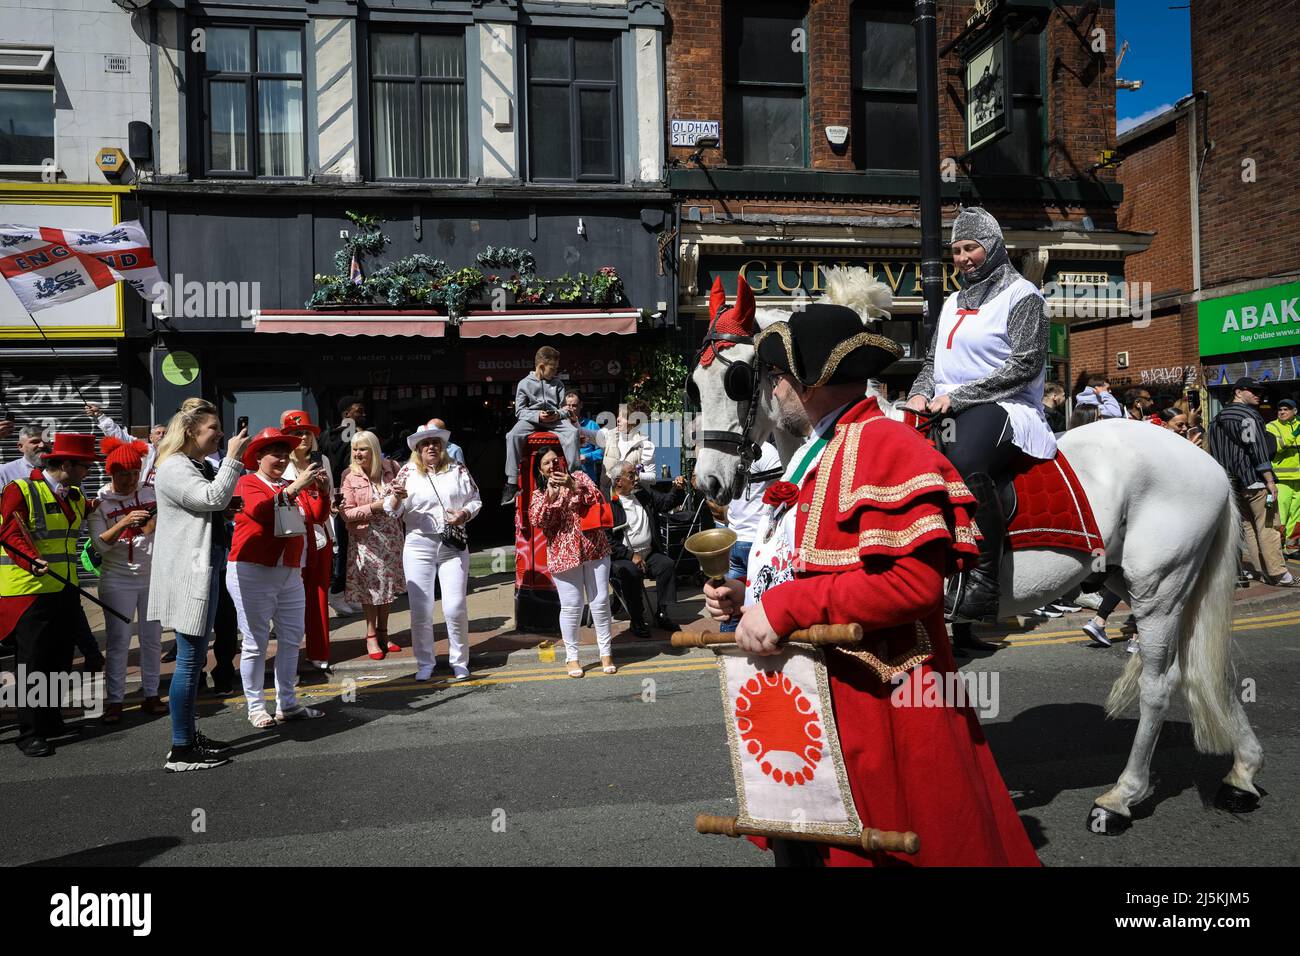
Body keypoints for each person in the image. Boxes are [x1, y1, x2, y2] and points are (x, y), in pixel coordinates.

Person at [704, 298, 1038, 866]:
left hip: (876, 705)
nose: (770, 393)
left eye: (774, 378)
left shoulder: (886, 444)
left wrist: (786, 605)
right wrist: (753, 595)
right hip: (807, 709)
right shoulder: (818, 450)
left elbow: (912, 585)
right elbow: (820, 563)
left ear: (803, 381)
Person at [905, 206, 1057, 623]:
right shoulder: (953, 301)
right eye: (955, 251)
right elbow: (932, 363)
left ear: (991, 248)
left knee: (965, 457)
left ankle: (984, 582)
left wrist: (961, 397)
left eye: (970, 248)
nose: (962, 257)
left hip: (1009, 406)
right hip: (947, 406)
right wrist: (918, 394)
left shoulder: (1024, 295)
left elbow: (1025, 365)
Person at [148, 398, 248, 770]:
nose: (221, 435)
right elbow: (210, 497)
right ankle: (181, 749)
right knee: (190, 661)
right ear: (191, 432)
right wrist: (235, 458)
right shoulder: (173, 466)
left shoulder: (197, 464)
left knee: (194, 657)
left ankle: (188, 736)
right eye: (213, 429)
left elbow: (209, 505)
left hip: (206, 567)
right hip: (190, 572)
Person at [0, 433, 100, 757]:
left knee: (59, 659)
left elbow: (91, 508)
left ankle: (52, 720)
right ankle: (29, 732)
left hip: (64, 589)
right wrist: (31, 559)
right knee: (32, 663)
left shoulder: (72, 495)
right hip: (29, 591)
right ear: (66, 464)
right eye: (85, 467)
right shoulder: (21, 489)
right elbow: (8, 531)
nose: (88, 472)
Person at [228, 428, 330, 728]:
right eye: (275, 452)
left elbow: (317, 516)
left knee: (291, 638)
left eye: (285, 452)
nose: (283, 457)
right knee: (256, 643)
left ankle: (287, 702)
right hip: (253, 570)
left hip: (290, 571)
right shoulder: (247, 482)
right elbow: (261, 513)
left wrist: (322, 491)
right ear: (258, 456)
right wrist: (295, 487)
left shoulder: (288, 484)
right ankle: (256, 706)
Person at [388, 420, 481, 681]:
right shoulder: (406, 472)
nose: (431, 447)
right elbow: (391, 509)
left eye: (436, 443)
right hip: (418, 544)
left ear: (443, 447)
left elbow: (476, 499)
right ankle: (425, 662)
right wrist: (396, 497)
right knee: (421, 609)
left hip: (452, 544)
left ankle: (459, 661)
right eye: (425, 443)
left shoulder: (458, 470)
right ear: (417, 449)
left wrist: (464, 513)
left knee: (454, 607)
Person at [88, 436, 167, 724]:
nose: (130, 479)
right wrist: (122, 522)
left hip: (152, 576)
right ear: (112, 473)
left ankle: (150, 693)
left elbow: (161, 526)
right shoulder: (100, 503)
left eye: (135, 473)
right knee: (120, 641)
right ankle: (116, 700)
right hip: (117, 578)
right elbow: (99, 545)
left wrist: (152, 520)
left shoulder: (150, 494)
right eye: (124, 474)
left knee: (152, 640)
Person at [529, 449, 616, 677]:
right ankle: (572, 658)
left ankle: (606, 653)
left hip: (594, 548)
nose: (552, 466)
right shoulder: (539, 494)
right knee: (571, 607)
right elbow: (539, 521)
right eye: (546, 463)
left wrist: (573, 486)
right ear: (540, 469)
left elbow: (597, 498)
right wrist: (551, 497)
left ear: (563, 462)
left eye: (554, 461)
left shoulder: (580, 477)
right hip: (563, 554)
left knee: (600, 602)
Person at [1208, 377, 1295, 587]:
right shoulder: (1249, 415)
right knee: (1268, 527)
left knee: (1247, 529)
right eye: (1253, 391)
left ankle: (1260, 571)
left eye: (1259, 391)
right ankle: (1279, 574)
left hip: (1230, 484)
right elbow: (1257, 450)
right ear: (1238, 392)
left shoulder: (1216, 418)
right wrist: (1269, 480)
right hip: (1254, 481)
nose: (1259, 395)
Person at [340, 429, 406, 660]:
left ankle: (384, 632)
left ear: (374, 450)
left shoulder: (393, 469)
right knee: (371, 591)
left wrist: (401, 496)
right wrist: (375, 507)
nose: (357, 454)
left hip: (391, 538)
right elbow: (346, 513)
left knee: (386, 589)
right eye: (355, 449)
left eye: (362, 449)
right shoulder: (349, 476)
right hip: (365, 539)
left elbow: (400, 505)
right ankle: (370, 636)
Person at [280, 409, 335, 674]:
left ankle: (319, 651)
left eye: (307, 433)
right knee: (288, 599)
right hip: (291, 538)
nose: (303, 437)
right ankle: (289, 655)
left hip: (321, 537)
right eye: (296, 432)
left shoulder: (321, 459)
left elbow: (330, 499)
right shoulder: (280, 462)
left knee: (319, 595)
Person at [607, 461, 687, 639]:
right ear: (619, 481)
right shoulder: (610, 504)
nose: (636, 478)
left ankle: (662, 614)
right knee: (631, 572)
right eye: (631, 475)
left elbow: (666, 503)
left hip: (648, 553)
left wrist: (676, 489)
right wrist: (630, 555)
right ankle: (636, 619)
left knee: (666, 564)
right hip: (623, 558)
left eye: (635, 474)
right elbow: (607, 541)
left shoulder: (643, 493)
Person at [502, 346, 580, 504]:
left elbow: (565, 408)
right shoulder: (524, 384)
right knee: (512, 435)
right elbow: (520, 412)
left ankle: (575, 474)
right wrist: (537, 416)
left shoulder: (558, 384)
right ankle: (511, 483)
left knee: (572, 432)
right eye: (553, 368)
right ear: (542, 367)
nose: (556, 372)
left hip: (554, 419)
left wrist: (558, 414)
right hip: (531, 419)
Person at [719, 441, 782, 635]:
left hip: (735, 538)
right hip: (756, 540)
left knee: (729, 603)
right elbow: (782, 488)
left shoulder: (731, 450)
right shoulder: (768, 451)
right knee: (759, 603)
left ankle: (727, 647)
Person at [320, 396, 366, 616]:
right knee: (343, 546)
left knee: (354, 549)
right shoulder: (332, 437)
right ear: (347, 414)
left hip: (360, 498)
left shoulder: (359, 435)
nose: (362, 414)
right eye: (358, 411)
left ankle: (349, 592)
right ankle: (336, 593)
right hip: (340, 499)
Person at [85, 403, 164, 486]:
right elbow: (119, 436)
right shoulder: (145, 449)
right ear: (151, 437)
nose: (162, 435)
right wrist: (100, 416)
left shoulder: (174, 453)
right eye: (158, 433)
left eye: (165, 433)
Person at [1266, 398, 1300, 556]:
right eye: (1280, 409)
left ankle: (1292, 547)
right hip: (1281, 478)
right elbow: (1278, 447)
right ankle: (1277, 550)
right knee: (1281, 516)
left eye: (1287, 409)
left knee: (1297, 516)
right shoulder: (1271, 427)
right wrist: (1295, 433)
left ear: (1295, 412)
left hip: (1298, 480)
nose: (1282, 412)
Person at [599, 401, 657, 489]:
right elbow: (587, 434)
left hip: (632, 499)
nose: (618, 419)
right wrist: (574, 423)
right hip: (609, 497)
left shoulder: (645, 444)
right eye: (618, 415)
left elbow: (653, 478)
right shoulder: (609, 435)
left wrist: (634, 474)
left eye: (623, 417)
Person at [562, 390, 604, 483]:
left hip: (587, 478)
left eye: (574, 405)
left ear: (581, 405)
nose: (571, 409)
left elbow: (602, 451)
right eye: (568, 405)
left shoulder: (592, 425)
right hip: (565, 477)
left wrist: (587, 456)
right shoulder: (559, 427)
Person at [0, 424, 49, 489]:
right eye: (35, 442)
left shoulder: (62, 468)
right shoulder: (5, 472)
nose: (42, 445)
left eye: (46, 441)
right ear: (20, 447)